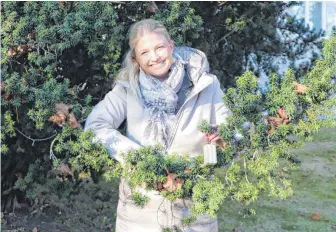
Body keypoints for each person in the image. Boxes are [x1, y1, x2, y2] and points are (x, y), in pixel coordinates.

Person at [85, 19, 230, 232]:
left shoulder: (205, 84)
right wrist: (138, 158)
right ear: (135, 58)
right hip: (141, 209)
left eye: (159, 47)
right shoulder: (127, 89)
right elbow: (95, 125)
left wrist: (224, 137)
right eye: (145, 53)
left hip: (193, 205)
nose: (155, 57)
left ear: (171, 45)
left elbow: (234, 129)